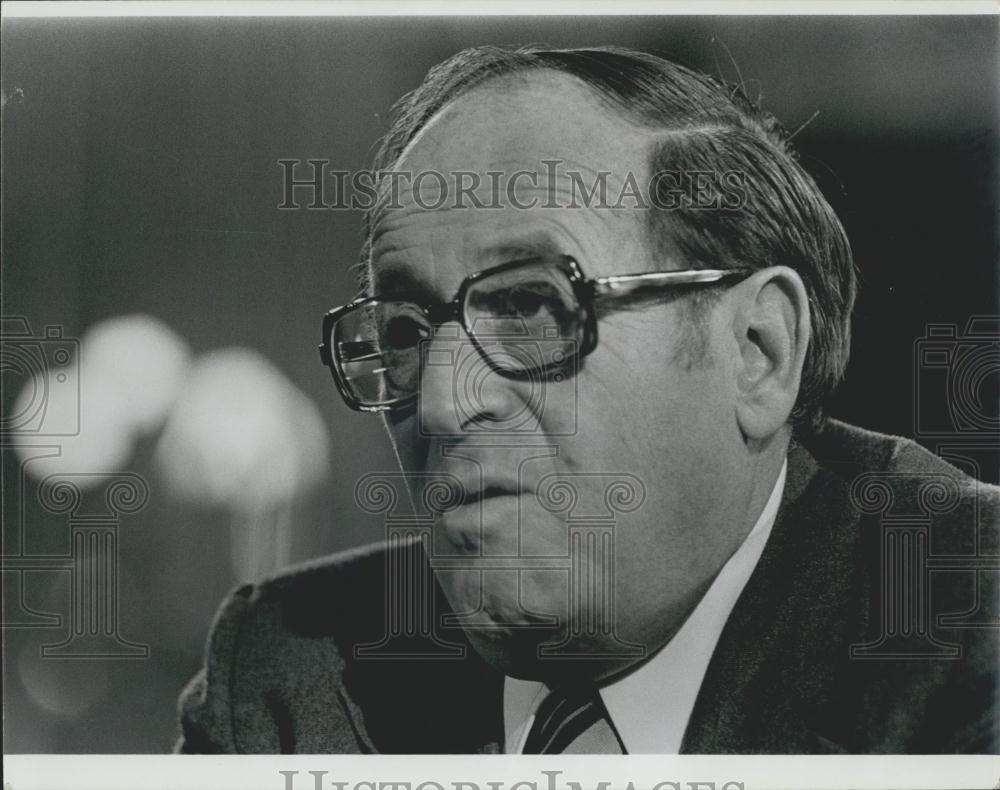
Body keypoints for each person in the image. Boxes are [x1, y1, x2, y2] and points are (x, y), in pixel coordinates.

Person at [176, 45, 998, 754]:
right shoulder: (288, 665)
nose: (439, 404)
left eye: (533, 307)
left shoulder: (969, 622)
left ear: (758, 353)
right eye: (404, 331)